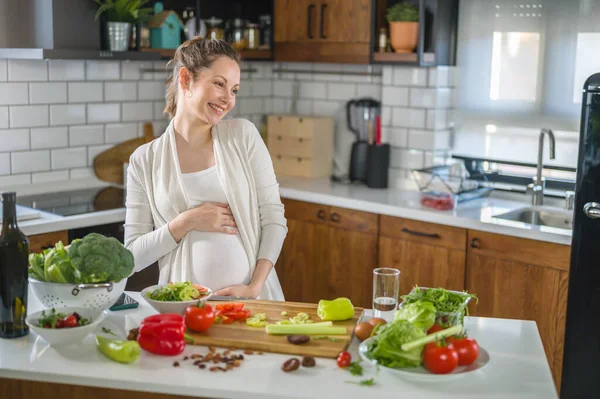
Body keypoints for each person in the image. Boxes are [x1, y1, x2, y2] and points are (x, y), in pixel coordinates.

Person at [124, 37, 286, 300]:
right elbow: (130, 257)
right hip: (184, 309)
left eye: (234, 90)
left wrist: (253, 287)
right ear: (186, 79)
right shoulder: (145, 160)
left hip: (252, 302)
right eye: (219, 84)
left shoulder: (242, 136)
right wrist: (186, 221)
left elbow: (274, 219)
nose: (228, 99)